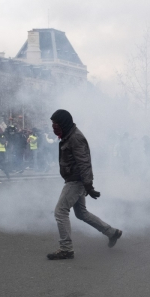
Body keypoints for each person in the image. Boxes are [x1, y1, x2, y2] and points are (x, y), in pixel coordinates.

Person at [47, 109, 123, 260]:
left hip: (76, 181)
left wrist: (88, 185)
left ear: (63, 123)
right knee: (81, 213)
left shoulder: (75, 138)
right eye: (52, 124)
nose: (53, 127)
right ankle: (112, 232)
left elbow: (84, 163)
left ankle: (66, 249)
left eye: (55, 124)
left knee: (60, 212)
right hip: (74, 179)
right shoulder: (68, 135)